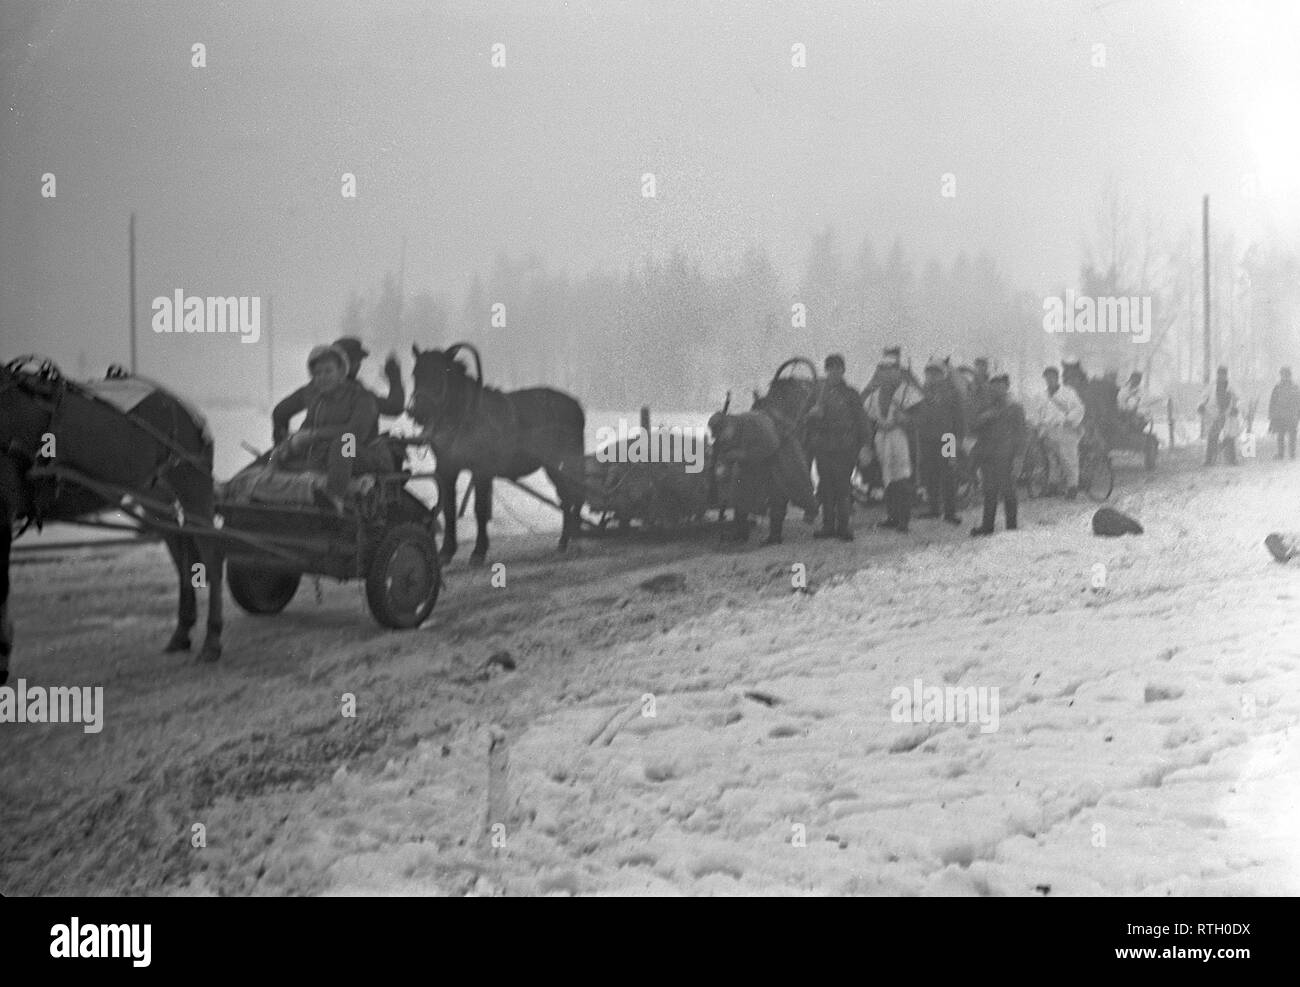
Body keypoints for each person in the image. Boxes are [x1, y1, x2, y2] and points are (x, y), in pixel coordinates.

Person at [272, 344, 383, 511]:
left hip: (365, 455)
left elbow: (355, 433)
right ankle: (238, 486)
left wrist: (313, 435)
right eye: (317, 373)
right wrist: (290, 444)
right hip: (330, 458)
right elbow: (302, 427)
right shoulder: (319, 402)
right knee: (280, 452)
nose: (322, 377)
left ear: (341, 373)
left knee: (343, 442)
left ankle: (335, 496)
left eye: (328, 371)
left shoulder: (363, 397)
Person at [805, 354, 867, 540]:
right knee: (825, 488)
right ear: (826, 370)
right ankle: (827, 526)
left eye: (838, 368)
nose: (834, 372)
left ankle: (844, 527)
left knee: (842, 488)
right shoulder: (816, 393)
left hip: (845, 447)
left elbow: (861, 421)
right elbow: (805, 419)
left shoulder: (851, 394)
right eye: (830, 368)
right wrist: (812, 414)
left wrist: (865, 446)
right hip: (823, 446)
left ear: (843, 370)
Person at [862, 349, 924, 533]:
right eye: (883, 369)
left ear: (898, 371)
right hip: (883, 439)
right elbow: (868, 418)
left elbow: (921, 418)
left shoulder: (908, 392)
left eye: (891, 369)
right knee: (887, 478)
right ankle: (892, 517)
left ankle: (903, 520)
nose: (887, 373)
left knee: (902, 479)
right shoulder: (874, 395)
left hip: (902, 439)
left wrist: (906, 419)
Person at [970, 374, 1028, 536]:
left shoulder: (1015, 408)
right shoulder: (984, 407)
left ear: (1007, 387)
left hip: (1006, 457)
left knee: (1008, 491)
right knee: (989, 491)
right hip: (987, 455)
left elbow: (1022, 434)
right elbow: (972, 427)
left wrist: (1019, 458)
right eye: (993, 385)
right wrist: (983, 418)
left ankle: (1011, 527)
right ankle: (987, 526)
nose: (997, 389)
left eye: (1000, 385)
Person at [916, 358, 964, 524]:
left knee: (949, 475)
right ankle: (934, 509)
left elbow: (960, 417)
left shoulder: (952, 392)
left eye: (935, 372)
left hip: (948, 437)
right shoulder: (922, 391)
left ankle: (950, 512)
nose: (931, 376)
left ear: (942, 374)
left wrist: (958, 439)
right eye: (929, 373)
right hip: (928, 438)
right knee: (930, 474)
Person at [1032, 366, 1085, 499]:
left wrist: (1069, 419)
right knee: (1052, 460)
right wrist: (1037, 425)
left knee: (1069, 460)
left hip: (1065, 429)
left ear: (1057, 377)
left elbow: (1079, 408)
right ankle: (1053, 486)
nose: (1050, 379)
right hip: (1048, 431)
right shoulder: (1041, 396)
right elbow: (1037, 414)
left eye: (1052, 377)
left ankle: (1072, 487)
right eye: (1047, 377)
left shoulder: (1068, 393)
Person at [333, 336, 406, 418]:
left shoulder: (320, 387)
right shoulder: (355, 391)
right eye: (357, 360)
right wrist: (394, 378)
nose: (359, 365)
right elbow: (394, 408)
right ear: (346, 362)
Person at [1198, 366, 1239, 466]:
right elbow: (1204, 396)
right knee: (1212, 436)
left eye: (1223, 374)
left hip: (1228, 414)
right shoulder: (1212, 386)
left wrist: (1236, 408)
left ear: (1226, 375)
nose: (1221, 376)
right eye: (1219, 374)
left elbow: (1239, 399)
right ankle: (1209, 460)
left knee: (1229, 437)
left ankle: (1232, 460)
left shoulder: (1232, 386)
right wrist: (1201, 405)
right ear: (1217, 375)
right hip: (1215, 414)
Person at [1268, 366, 1299, 460]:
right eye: (1282, 374)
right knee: (1280, 436)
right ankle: (1281, 454)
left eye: (1286, 374)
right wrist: (1271, 414)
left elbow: (1298, 402)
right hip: (1280, 416)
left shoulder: (1295, 387)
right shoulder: (1277, 387)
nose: (1284, 376)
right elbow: (1273, 401)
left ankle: (1292, 454)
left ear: (1289, 375)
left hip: (1292, 416)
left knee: (1292, 436)